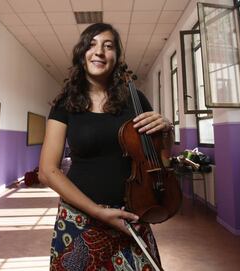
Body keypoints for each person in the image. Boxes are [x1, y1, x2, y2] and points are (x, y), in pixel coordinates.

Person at [38, 23, 174, 270]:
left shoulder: (136, 100)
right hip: (79, 218)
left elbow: (161, 161)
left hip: (131, 215)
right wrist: (98, 212)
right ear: (82, 54)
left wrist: (166, 133)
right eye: (92, 44)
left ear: (116, 57)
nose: (99, 51)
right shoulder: (64, 105)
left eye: (108, 46)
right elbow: (47, 171)